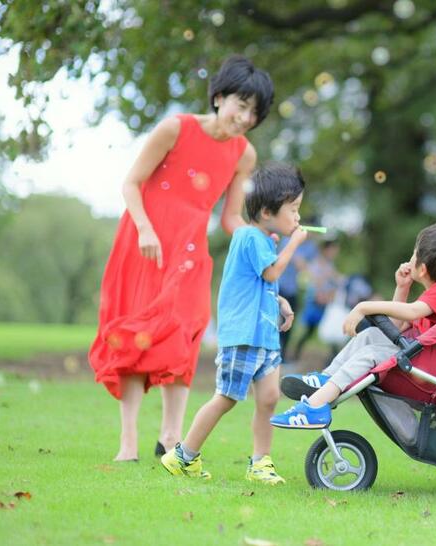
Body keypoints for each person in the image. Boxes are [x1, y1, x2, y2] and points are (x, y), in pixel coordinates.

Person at [88, 56, 274, 461]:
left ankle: (171, 437)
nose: (244, 118)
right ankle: (129, 443)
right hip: (144, 242)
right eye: (240, 105)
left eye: (254, 113)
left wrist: (259, 236)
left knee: (184, 334)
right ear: (219, 97)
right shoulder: (176, 128)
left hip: (190, 251)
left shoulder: (244, 155)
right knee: (139, 333)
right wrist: (145, 228)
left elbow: (229, 217)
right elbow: (131, 183)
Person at [160, 163, 307, 482]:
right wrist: (295, 243)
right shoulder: (250, 237)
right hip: (243, 337)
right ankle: (184, 455)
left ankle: (260, 463)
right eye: (293, 209)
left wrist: (280, 302)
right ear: (267, 211)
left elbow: (262, 283)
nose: (297, 217)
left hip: (265, 336)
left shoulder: (264, 240)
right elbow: (271, 273)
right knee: (226, 398)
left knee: (268, 399)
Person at [271, 223, 436, 429]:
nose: (411, 258)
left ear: (422, 269)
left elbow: (412, 312)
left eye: (414, 254)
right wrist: (402, 287)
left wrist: (363, 306)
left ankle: (315, 407)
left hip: (430, 371)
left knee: (370, 353)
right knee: (370, 335)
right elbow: (396, 326)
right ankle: (328, 378)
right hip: (422, 359)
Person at [291, 239, 342, 362]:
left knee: (328, 330)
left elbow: (337, 281)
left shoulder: (330, 265)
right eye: (332, 249)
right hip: (315, 303)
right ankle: (294, 355)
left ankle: (332, 359)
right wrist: (320, 294)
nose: (334, 252)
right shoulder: (316, 264)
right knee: (309, 330)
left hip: (325, 303)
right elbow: (313, 283)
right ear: (326, 250)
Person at [277, 228, 318, 363]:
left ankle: (282, 354)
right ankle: (273, 352)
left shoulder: (311, 246)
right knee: (275, 321)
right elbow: (299, 263)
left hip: (293, 289)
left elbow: (314, 265)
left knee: (289, 322)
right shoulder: (288, 239)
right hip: (279, 286)